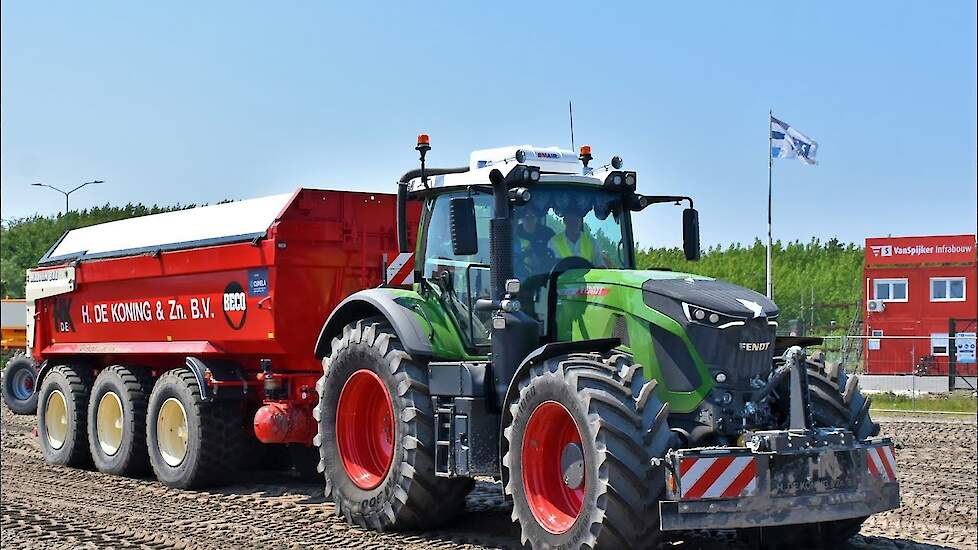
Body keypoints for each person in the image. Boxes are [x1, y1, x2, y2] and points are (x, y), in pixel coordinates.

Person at [548, 203, 604, 267]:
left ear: (581, 221)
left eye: (577, 219)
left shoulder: (592, 242)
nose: (575, 223)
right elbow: (552, 269)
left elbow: (600, 266)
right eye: (571, 220)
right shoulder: (554, 242)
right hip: (563, 277)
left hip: (588, 277)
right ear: (565, 221)